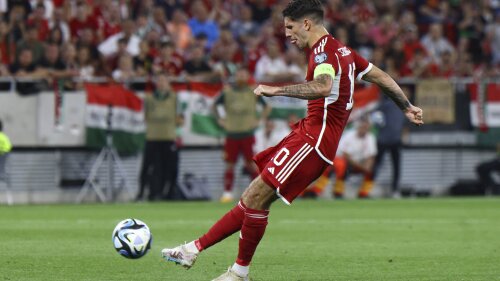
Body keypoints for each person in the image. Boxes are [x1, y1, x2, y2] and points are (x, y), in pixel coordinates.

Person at [161, 1, 424, 280]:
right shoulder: (343, 50)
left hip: (313, 141)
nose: (287, 34)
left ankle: (234, 271)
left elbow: (322, 87)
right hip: (308, 136)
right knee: (254, 197)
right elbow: (381, 76)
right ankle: (198, 251)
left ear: (306, 24)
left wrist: (276, 90)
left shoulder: (323, 53)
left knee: (256, 197)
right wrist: (406, 106)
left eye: (289, 27)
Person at [213, 67, 271, 203]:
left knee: (251, 165)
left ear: (248, 76)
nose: (241, 77)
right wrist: (220, 119)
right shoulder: (227, 92)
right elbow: (214, 105)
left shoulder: (253, 91)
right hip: (232, 133)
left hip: (247, 133)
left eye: (243, 74)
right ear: (235, 76)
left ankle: (258, 193)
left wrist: (259, 120)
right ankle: (227, 193)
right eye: (239, 74)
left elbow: (267, 107)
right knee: (229, 164)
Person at [136, 73, 183, 201]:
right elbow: (145, 116)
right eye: (159, 81)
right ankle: (142, 193)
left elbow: (180, 117)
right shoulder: (149, 98)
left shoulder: (174, 98)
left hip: (169, 137)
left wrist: (177, 134)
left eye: (164, 81)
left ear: (168, 84)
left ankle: (169, 193)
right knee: (147, 167)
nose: (161, 83)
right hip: (152, 137)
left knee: (170, 168)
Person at [373, 94, 408, 198]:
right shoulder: (400, 106)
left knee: (379, 165)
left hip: (386, 139)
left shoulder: (383, 105)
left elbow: (377, 120)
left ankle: (370, 187)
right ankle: (394, 190)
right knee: (394, 166)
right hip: (391, 139)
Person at [332, 116, 377, 199]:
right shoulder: (349, 135)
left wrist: (368, 166)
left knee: (372, 170)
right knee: (341, 166)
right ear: (358, 126)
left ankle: (363, 193)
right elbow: (345, 155)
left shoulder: (370, 137)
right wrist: (361, 166)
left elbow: (371, 155)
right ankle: (338, 192)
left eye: (366, 127)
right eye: (363, 126)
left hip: (359, 163)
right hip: (347, 161)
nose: (364, 129)